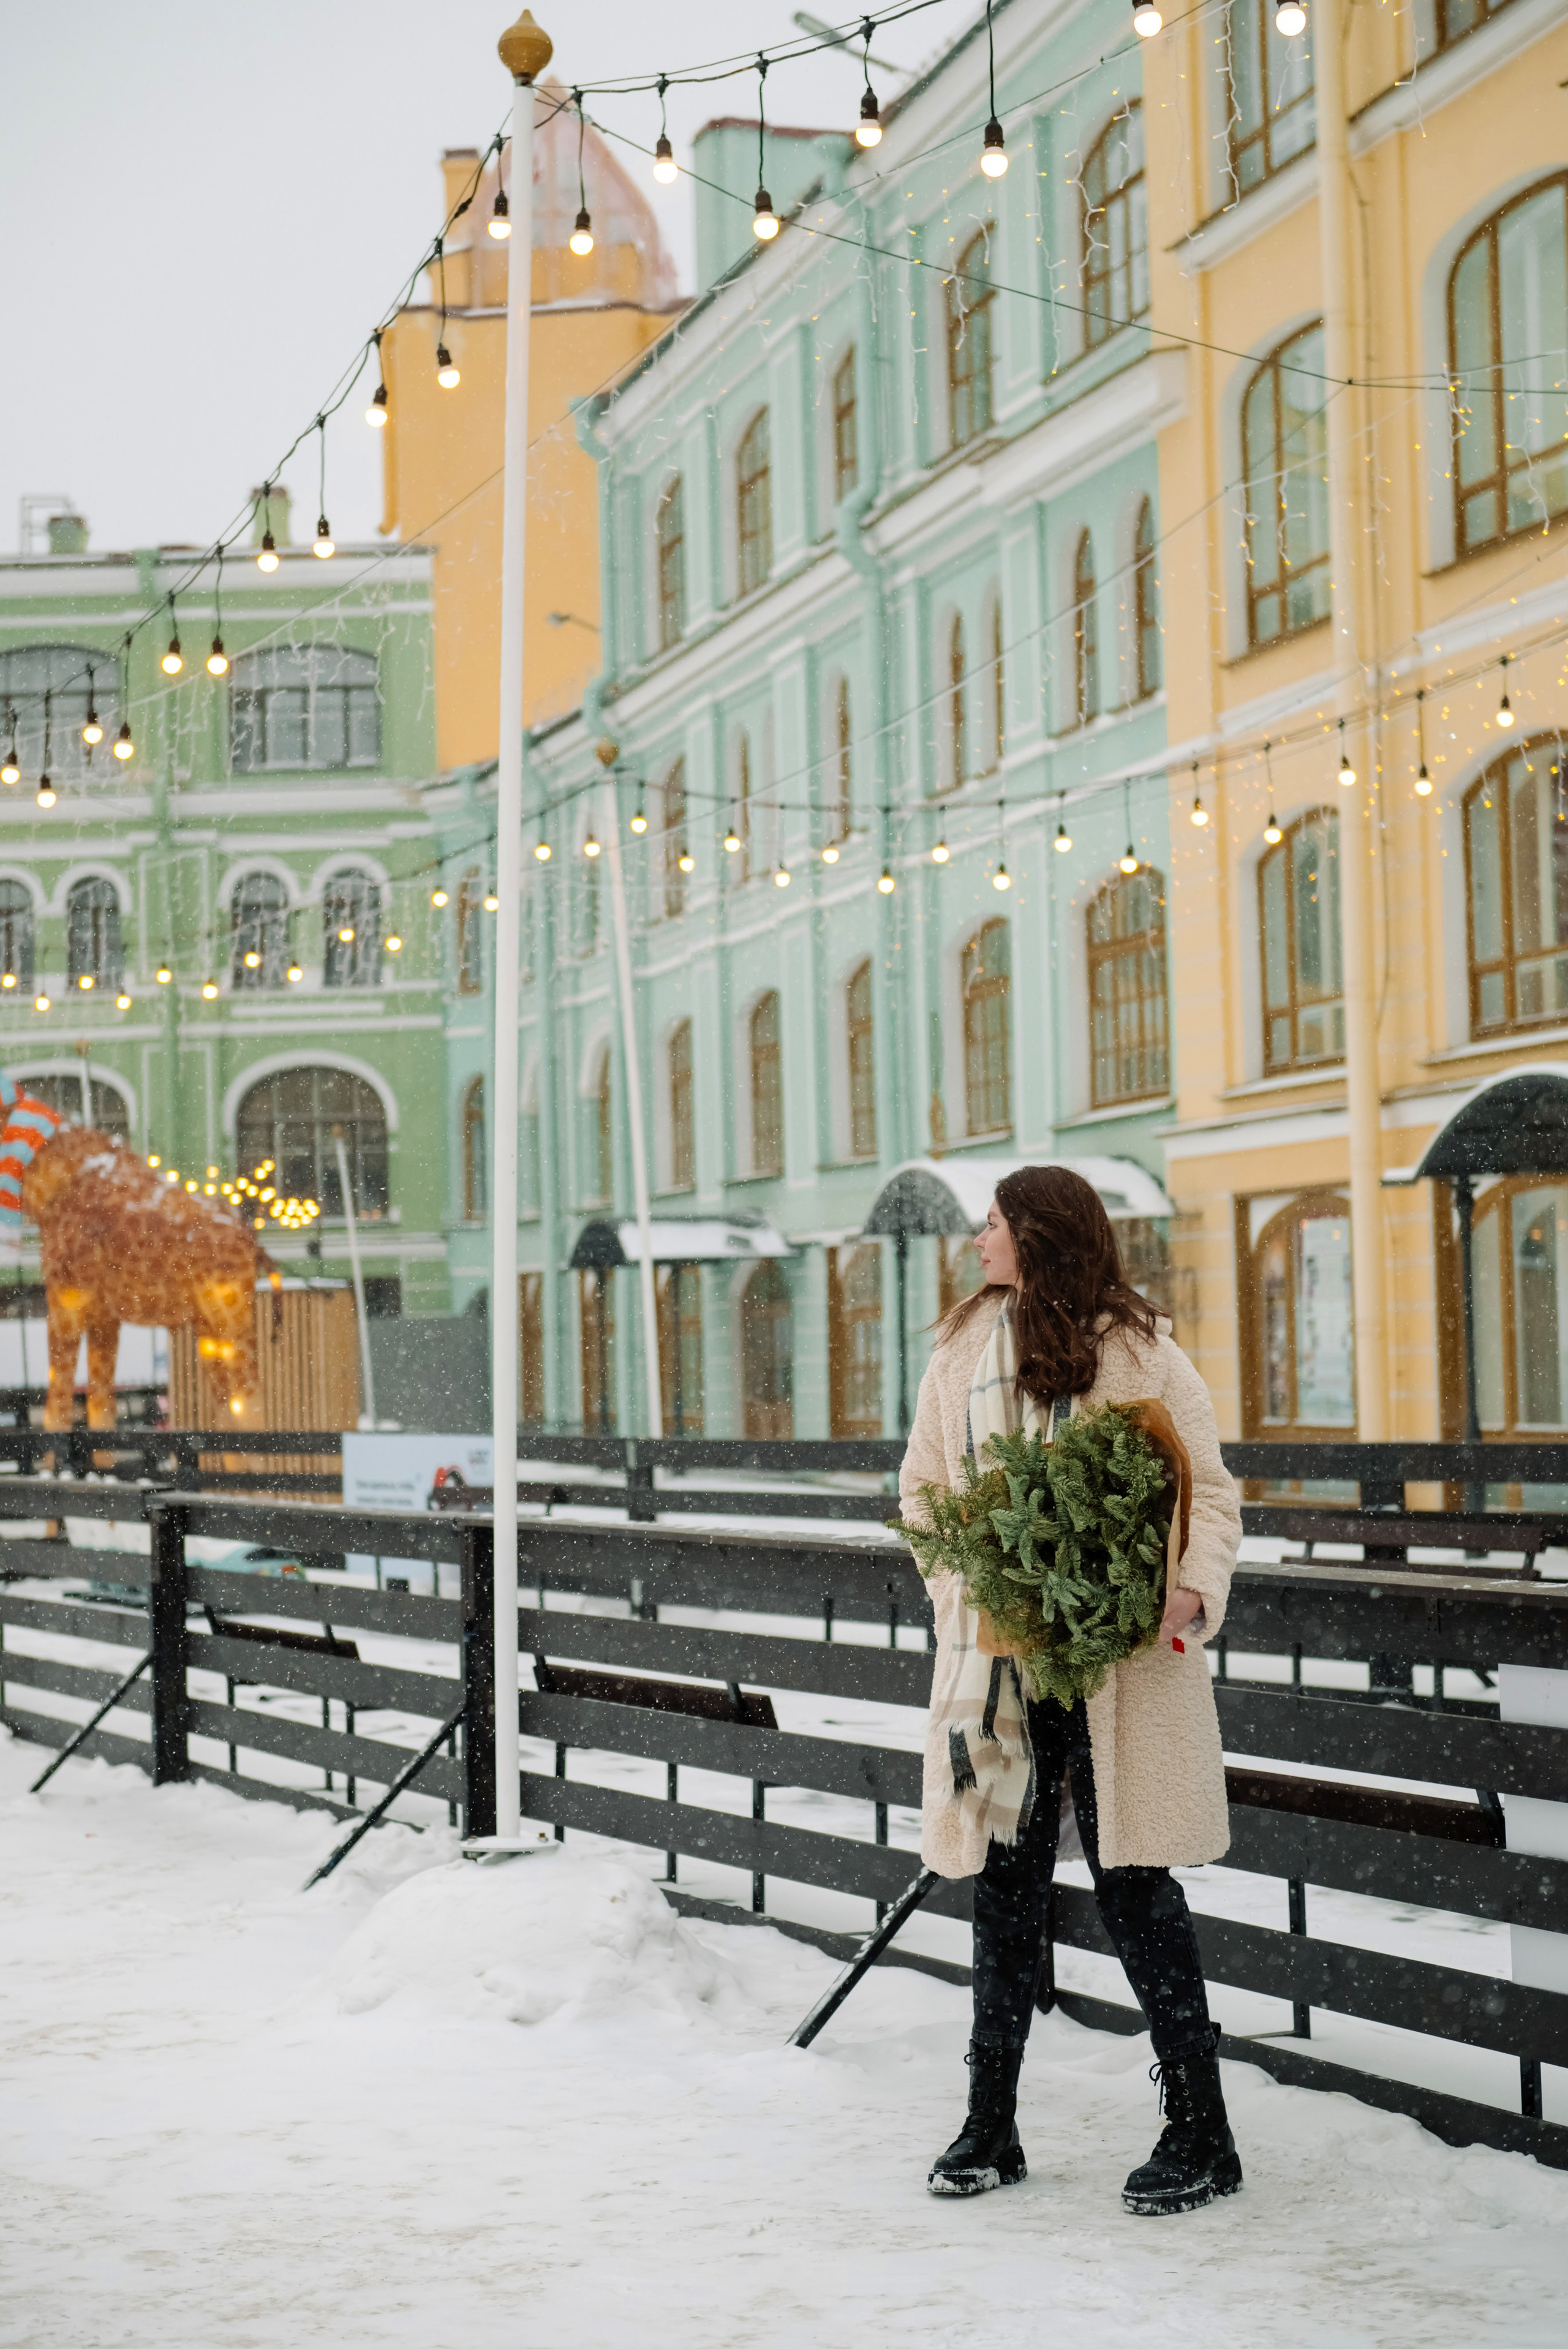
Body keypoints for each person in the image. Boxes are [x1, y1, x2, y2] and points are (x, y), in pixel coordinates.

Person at [899, 1163, 1243, 2217]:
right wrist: (978, 1586)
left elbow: (1213, 1492)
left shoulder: (1140, 1349)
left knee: (1135, 1885)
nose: (980, 1241)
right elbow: (922, 1491)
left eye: (993, 1224)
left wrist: (1190, 1593)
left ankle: (1201, 2129)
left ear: (1039, 1234)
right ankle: (989, 2126)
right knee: (1005, 1889)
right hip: (998, 1670)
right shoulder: (959, 1352)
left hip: (1119, 1671)